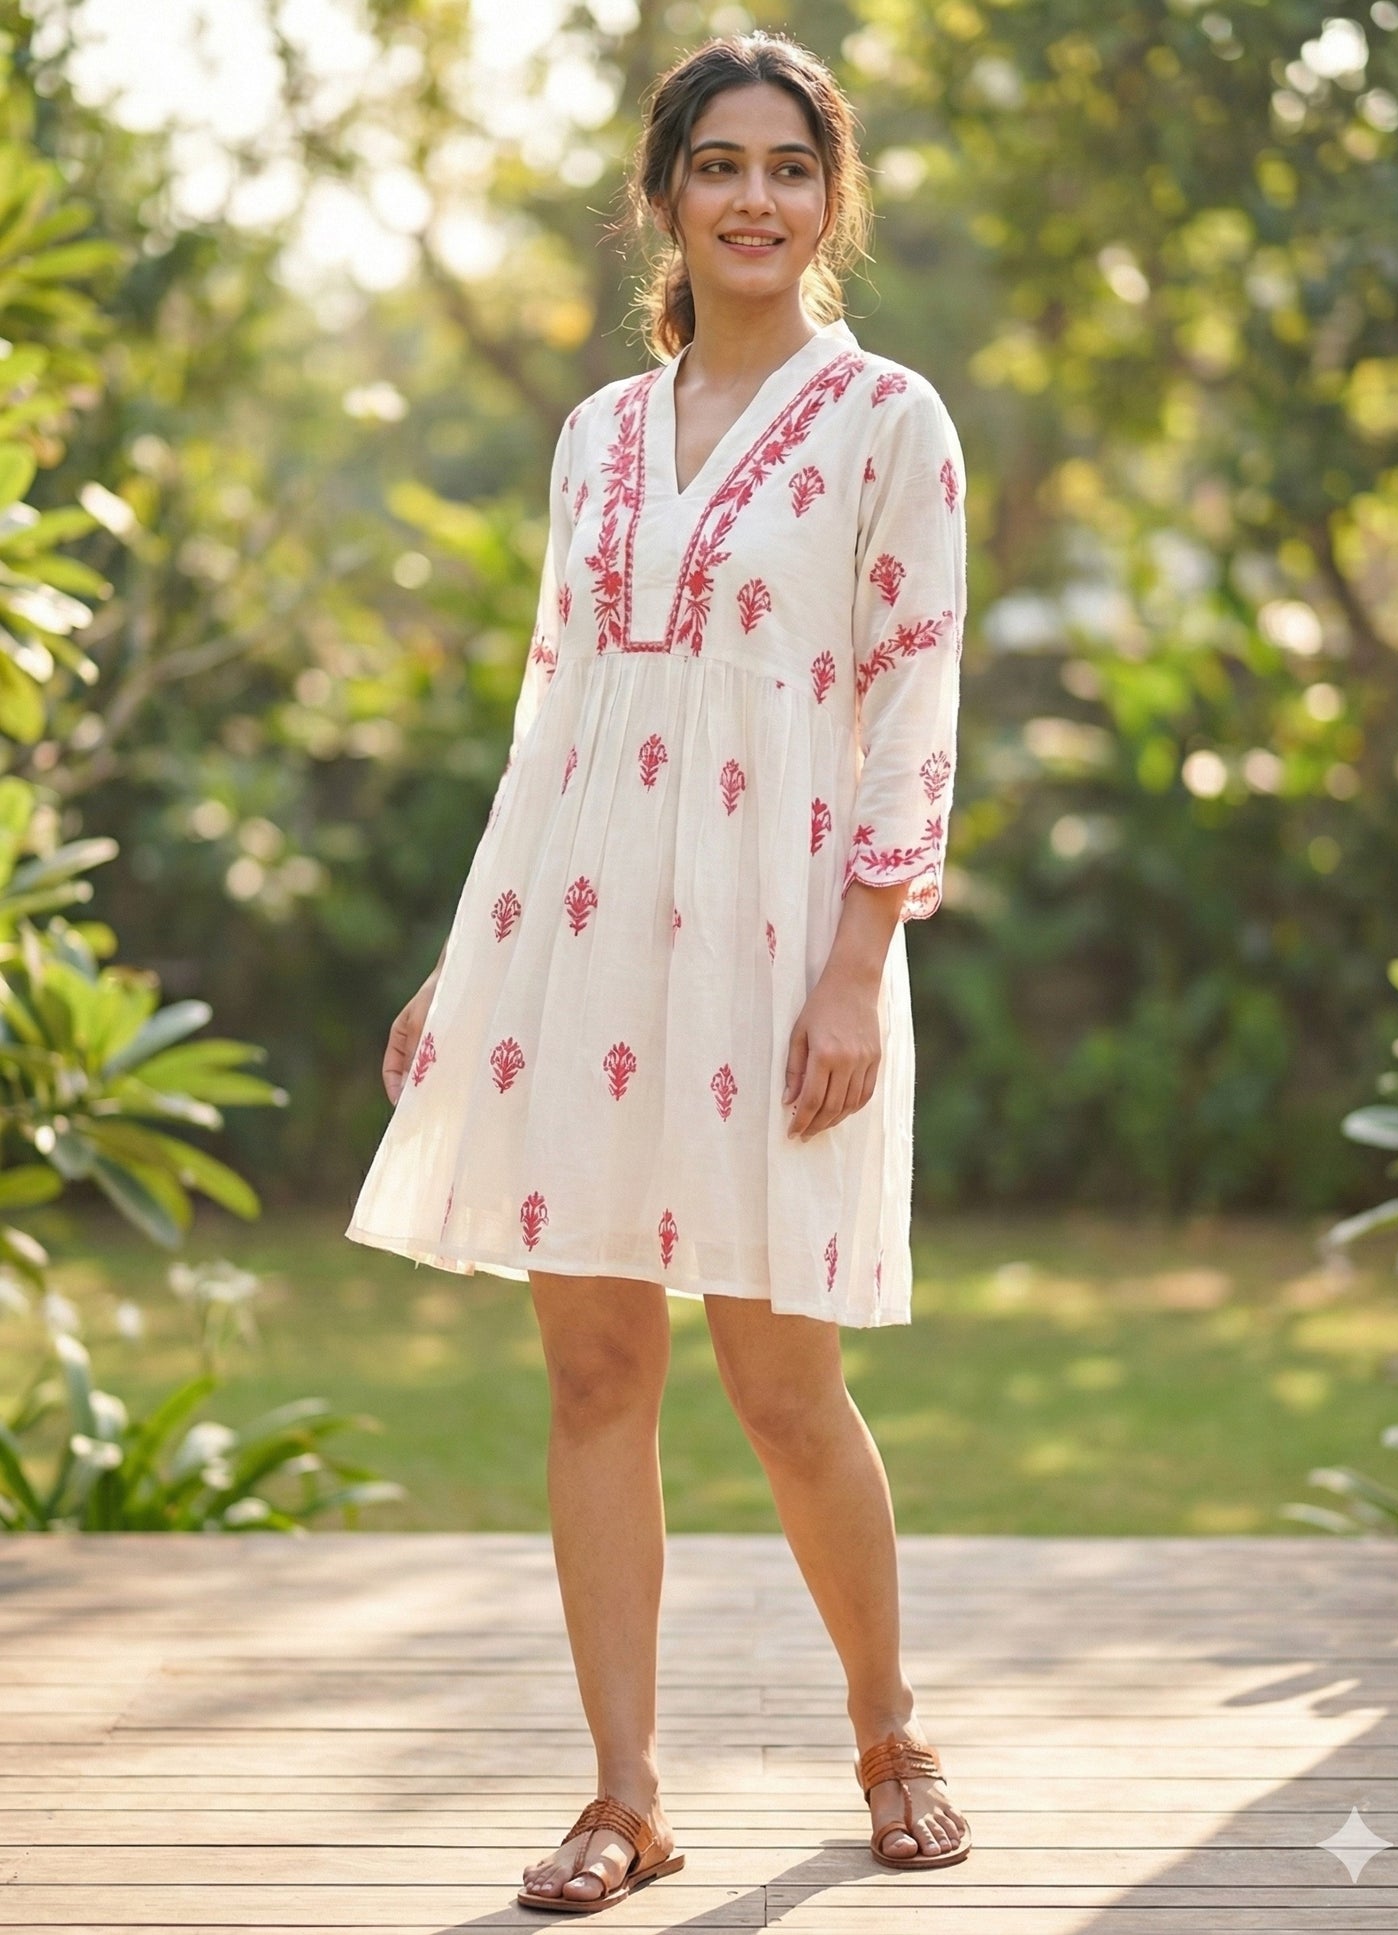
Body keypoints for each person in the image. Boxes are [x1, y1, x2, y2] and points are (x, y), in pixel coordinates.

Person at [346, 28, 971, 1916]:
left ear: (829, 196)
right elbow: (548, 717)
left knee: (783, 1385)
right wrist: (467, 965)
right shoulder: (594, 440)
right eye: (720, 165)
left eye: (790, 166)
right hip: (579, 938)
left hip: (778, 952)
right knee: (595, 1370)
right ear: (665, 196)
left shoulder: (889, 422)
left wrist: (857, 968)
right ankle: (623, 1797)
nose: (755, 198)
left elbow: (910, 699)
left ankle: (888, 1733)